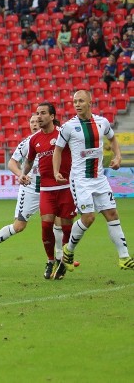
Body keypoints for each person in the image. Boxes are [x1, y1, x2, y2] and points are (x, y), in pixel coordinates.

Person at [54, 90, 134, 274]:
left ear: (90, 102)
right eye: (75, 101)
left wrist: (118, 156)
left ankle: (124, 257)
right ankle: (69, 250)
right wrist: (57, 171)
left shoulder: (102, 122)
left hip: (99, 178)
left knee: (112, 214)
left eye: (81, 101)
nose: (77, 104)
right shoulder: (68, 127)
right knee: (88, 217)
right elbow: (58, 150)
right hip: (80, 180)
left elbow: (113, 139)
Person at [0, 116, 71, 273]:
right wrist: (20, 174)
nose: (35, 124)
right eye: (32, 122)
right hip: (30, 189)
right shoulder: (28, 142)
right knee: (19, 226)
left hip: (50, 188)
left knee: (58, 222)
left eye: (37, 121)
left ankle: (59, 259)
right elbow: (11, 163)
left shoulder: (57, 138)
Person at [21, 102, 76, 280]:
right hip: (46, 189)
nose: (38, 117)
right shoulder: (34, 139)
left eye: (43, 113)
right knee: (46, 226)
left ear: (52, 116)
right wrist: (23, 174)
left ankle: (64, 260)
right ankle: (50, 260)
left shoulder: (63, 134)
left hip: (66, 187)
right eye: (37, 113)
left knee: (67, 228)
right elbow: (29, 161)